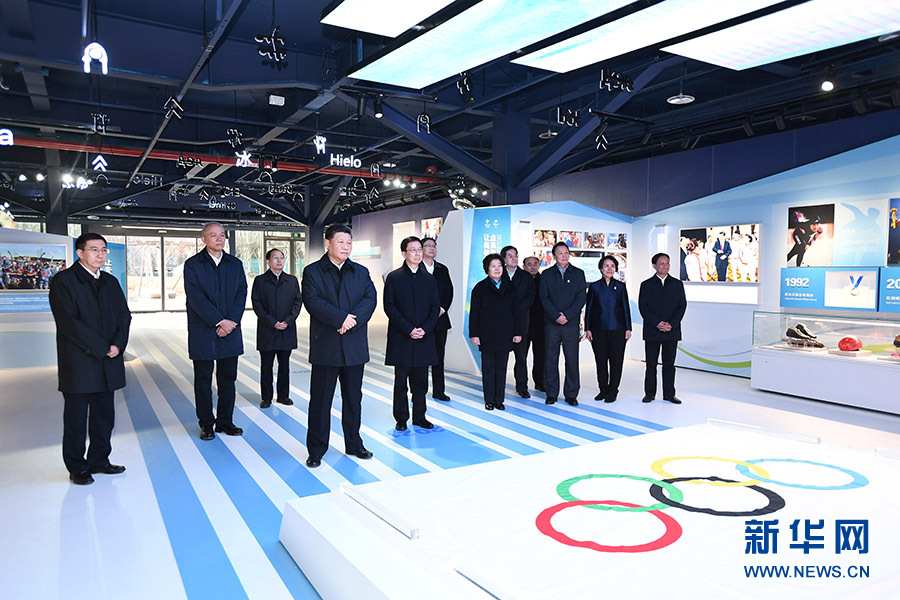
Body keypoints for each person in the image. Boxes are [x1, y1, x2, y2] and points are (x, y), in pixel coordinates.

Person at [49, 233, 131, 485]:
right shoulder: (63, 281)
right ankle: (77, 466)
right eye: (94, 250)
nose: (100, 255)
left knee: (104, 415)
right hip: (79, 361)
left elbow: (124, 316)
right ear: (80, 253)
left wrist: (117, 345)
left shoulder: (110, 281)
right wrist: (101, 347)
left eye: (104, 250)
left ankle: (99, 460)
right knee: (76, 418)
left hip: (108, 359)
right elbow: (69, 323)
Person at [302, 224, 377, 468]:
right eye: (341, 242)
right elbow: (312, 302)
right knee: (320, 401)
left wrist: (351, 321)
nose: (346, 247)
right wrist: (340, 319)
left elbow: (370, 299)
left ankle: (354, 444)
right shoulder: (313, 272)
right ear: (327, 243)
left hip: (354, 346)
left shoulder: (360, 272)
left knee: (354, 399)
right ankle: (316, 450)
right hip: (326, 346)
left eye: (349, 242)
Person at [184, 222, 247, 440]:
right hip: (203, 331)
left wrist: (231, 322)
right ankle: (206, 424)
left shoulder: (235, 264)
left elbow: (241, 294)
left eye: (222, 235)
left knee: (228, 380)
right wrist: (219, 321)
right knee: (203, 381)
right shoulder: (193, 265)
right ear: (204, 239)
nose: (219, 239)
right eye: (213, 235)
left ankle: (225, 421)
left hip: (231, 330)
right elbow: (195, 298)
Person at [384, 236, 441, 431]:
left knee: (421, 381)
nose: (418, 253)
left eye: (419, 250)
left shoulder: (429, 279)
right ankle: (401, 418)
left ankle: (420, 416)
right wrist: (409, 329)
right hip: (402, 337)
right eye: (413, 250)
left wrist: (425, 329)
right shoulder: (394, 277)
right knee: (401, 381)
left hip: (424, 337)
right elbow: (390, 307)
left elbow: (435, 307)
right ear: (404, 253)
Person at [469, 254, 522, 410]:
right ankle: (489, 400)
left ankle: (499, 400)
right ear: (487, 269)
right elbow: (474, 313)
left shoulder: (510, 287)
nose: (497, 269)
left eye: (499, 265)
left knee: (501, 367)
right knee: (488, 368)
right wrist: (474, 334)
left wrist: (518, 332)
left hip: (505, 333)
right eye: (493, 266)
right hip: (486, 334)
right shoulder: (480, 288)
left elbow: (517, 312)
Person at [251, 248, 302, 409]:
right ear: (268, 261)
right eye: (275, 258)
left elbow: (297, 302)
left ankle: (283, 396)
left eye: (281, 258)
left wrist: (288, 321)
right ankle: (266, 397)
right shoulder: (260, 281)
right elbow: (257, 304)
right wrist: (272, 322)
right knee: (266, 366)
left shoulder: (292, 281)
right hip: (267, 330)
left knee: (284, 365)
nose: (279, 261)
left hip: (287, 329)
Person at [538, 242, 586, 406]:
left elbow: (581, 298)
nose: (564, 256)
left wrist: (568, 315)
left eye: (566, 252)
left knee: (572, 360)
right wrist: (555, 316)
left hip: (571, 324)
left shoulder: (578, 274)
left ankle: (571, 394)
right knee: (550, 359)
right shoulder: (546, 274)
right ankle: (551, 393)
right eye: (560, 253)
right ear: (554, 256)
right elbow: (544, 298)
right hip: (551, 324)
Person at [638, 253, 687, 404]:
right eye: (661, 263)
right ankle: (649, 394)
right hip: (652, 331)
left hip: (672, 331)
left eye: (667, 263)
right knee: (651, 364)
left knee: (669, 365)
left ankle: (669, 394)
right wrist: (657, 323)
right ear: (654, 266)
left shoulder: (677, 284)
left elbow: (682, 306)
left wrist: (671, 324)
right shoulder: (646, 285)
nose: (665, 266)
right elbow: (643, 307)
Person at [585, 255, 632, 403]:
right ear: (601, 268)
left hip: (618, 329)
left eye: (612, 266)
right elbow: (589, 308)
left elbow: (625, 307)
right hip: (598, 329)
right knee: (600, 361)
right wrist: (587, 328)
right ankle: (603, 390)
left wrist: (628, 328)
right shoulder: (594, 287)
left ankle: (613, 390)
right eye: (606, 266)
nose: (610, 269)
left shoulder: (621, 286)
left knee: (616, 361)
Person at [421, 236, 453, 402]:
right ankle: (419, 391)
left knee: (439, 357)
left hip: (440, 320)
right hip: (421, 321)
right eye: (428, 245)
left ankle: (439, 391)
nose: (432, 248)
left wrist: (442, 309)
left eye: (434, 245)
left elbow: (449, 291)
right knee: (421, 358)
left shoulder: (442, 269)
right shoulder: (416, 268)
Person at [501, 245, 535, 398]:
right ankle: (498, 386)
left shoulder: (526, 276)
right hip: (502, 324)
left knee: (521, 358)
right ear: (504, 259)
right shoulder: (499, 275)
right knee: (501, 358)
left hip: (521, 323)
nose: (514, 258)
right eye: (510, 256)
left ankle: (522, 387)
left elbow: (530, 298)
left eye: (515, 255)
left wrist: (517, 309)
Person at [523, 256, 546, 392]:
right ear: (524, 266)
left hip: (540, 325)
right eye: (529, 264)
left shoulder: (544, 280)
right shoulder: (520, 280)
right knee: (521, 358)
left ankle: (540, 382)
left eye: (535, 264)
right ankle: (522, 385)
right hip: (523, 325)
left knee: (541, 357)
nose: (533, 267)